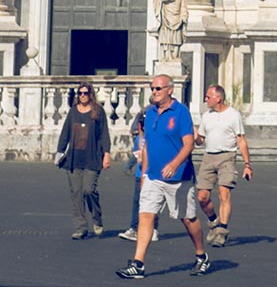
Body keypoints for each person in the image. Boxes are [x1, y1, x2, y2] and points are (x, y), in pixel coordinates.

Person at [117, 74, 208, 279]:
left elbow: (188, 144)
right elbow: (147, 145)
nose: (154, 92)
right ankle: (138, 263)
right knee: (146, 216)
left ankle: (201, 255)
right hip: (153, 177)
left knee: (188, 219)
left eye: (158, 88)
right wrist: (144, 173)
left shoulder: (181, 112)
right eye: (152, 88)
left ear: (170, 89)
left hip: (179, 177)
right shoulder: (150, 114)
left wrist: (174, 164)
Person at [193, 84, 252, 248]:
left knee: (223, 194)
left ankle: (222, 231)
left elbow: (241, 140)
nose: (205, 99)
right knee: (202, 197)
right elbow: (200, 141)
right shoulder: (206, 116)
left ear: (218, 98)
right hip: (208, 157)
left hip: (227, 156)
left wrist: (247, 164)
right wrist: (195, 135)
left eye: (208, 97)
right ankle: (214, 221)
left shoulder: (234, 115)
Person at [57, 82, 111, 239]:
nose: (82, 96)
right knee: (76, 193)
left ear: (91, 94)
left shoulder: (98, 111)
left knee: (89, 190)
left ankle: (97, 219)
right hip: (74, 157)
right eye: (80, 93)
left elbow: (104, 134)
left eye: (85, 93)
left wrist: (106, 154)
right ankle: (80, 227)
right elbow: (65, 132)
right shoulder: (73, 112)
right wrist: (60, 151)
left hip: (93, 156)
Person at [116, 106, 144, 242]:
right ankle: (134, 228)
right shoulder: (139, 139)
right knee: (138, 201)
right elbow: (138, 157)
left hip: (153, 174)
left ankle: (149, 229)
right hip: (141, 174)